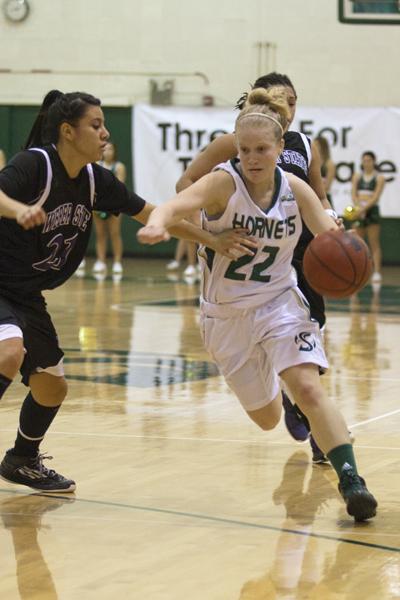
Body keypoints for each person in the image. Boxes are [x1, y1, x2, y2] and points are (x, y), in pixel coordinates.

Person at [137, 87, 378, 522]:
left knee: (308, 386)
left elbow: (326, 233)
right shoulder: (222, 183)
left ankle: (351, 480)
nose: (252, 157)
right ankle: (283, 397)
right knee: (267, 419)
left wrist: (346, 247)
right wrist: (158, 224)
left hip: (280, 303)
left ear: (279, 148)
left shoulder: (296, 189)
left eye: (262, 149)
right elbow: (175, 204)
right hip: (226, 315)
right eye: (244, 149)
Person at [0, 89, 255, 494]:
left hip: (26, 293)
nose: (104, 134)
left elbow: (155, 214)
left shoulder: (95, 180)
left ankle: (22, 459)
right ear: (68, 131)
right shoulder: (36, 165)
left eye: (104, 125)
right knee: (9, 352)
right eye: (95, 125)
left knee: (52, 388)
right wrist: (18, 210)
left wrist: (212, 239)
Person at [175, 72, 335, 463]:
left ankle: (311, 410)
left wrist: (330, 221)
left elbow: (318, 192)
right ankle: (307, 418)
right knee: (290, 343)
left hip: (298, 247)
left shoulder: (302, 145)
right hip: (246, 253)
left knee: (311, 331)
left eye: (293, 102)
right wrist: (209, 236)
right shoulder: (234, 144)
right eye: (281, 101)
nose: (288, 110)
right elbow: (185, 185)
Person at [92, 141, 126, 275]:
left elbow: (119, 187)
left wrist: (111, 204)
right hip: (99, 205)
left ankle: (117, 262)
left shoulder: (119, 167)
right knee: (100, 234)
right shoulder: (96, 165)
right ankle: (101, 261)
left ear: (114, 151)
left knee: (115, 234)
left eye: (110, 149)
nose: (108, 152)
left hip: (114, 206)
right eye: (105, 149)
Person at [351, 151, 384, 283]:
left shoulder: (379, 178)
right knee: (357, 243)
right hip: (359, 210)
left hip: (371, 211)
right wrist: (358, 208)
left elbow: (375, 197)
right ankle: (357, 270)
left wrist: (364, 209)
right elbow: (354, 194)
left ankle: (376, 272)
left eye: (369, 160)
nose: (366, 163)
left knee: (374, 242)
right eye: (364, 160)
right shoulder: (357, 177)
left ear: (374, 162)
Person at [314, 135, 336, 208]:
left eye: (317, 145)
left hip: (324, 197)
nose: (314, 147)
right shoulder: (312, 161)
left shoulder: (329, 164)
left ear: (323, 147)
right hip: (312, 196)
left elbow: (327, 186)